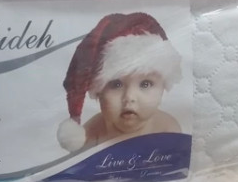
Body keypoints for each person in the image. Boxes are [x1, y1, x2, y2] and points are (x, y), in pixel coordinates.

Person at [56, 12, 183, 152]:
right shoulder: (93, 132)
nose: (129, 97)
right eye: (116, 84)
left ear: (163, 88)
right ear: (98, 91)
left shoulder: (167, 129)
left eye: (145, 84)